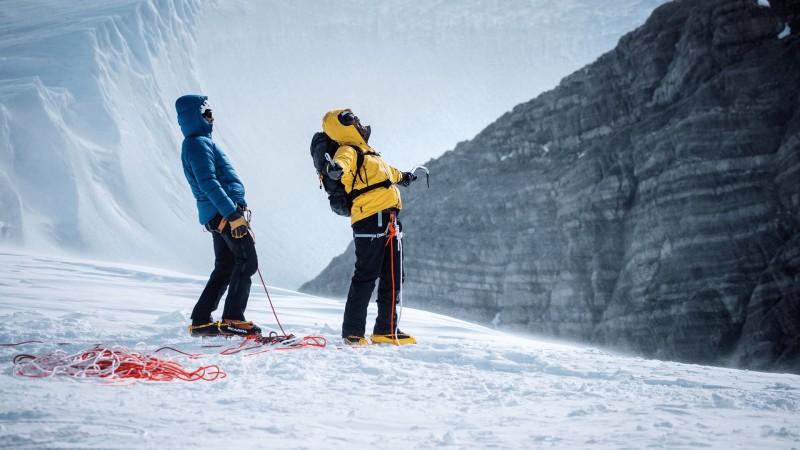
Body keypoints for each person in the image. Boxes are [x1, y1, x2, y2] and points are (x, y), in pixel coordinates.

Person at [322, 108, 418, 345]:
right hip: (369, 217)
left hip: (390, 218)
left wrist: (403, 177)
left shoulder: (369, 153)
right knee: (366, 275)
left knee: (394, 275)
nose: (358, 120)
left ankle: (386, 329)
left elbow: (388, 173)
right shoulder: (347, 150)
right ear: (341, 127)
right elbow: (342, 164)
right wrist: (335, 169)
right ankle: (353, 333)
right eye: (351, 119)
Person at [175, 94, 261, 337]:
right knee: (247, 261)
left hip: (217, 214)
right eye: (207, 114)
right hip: (224, 213)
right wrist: (232, 214)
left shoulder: (197, 143)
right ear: (195, 116)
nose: (212, 118)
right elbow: (208, 182)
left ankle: (201, 320)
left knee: (226, 266)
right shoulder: (198, 144)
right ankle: (233, 318)